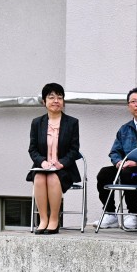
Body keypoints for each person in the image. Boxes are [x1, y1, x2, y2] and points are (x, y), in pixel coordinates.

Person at [93, 87, 137, 229]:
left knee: (128, 173)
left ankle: (133, 214)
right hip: (125, 167)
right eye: (133, 102)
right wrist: (118, 163)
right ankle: (110, 214)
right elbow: (115, 151)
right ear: (129, 106)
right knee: (104, 173)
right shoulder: (125, 128)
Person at [26, 83, 81, 235]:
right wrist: (42, 162)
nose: (56, 101)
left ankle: (54, 219)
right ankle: (43, 219)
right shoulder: (37, 123)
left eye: (60, 97)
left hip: (64, 168)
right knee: (38, 178)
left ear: (63, 101)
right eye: (51, 97)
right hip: (42, 166)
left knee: (51, 177)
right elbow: (32, 149)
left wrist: (61, 163)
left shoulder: (72, 122)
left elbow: (74, 150)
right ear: (44, 102)